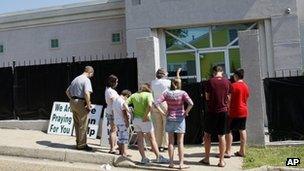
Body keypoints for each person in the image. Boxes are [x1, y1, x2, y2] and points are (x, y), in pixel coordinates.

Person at [125, 83, 169, 164]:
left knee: (140, 140)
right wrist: (145, 116)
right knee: (152, 139)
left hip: (136, 120)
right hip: (146, 120)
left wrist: (130, 112)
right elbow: (150, 105)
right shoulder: (148, 94)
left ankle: (144, 158)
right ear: (148, 88)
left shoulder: (134, 95)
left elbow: (124, 103)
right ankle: (159, 157)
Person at [155, 78, 194, 169]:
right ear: (179, 84)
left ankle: (171, 163)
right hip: (180, 119)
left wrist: (163, 113)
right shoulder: (183, 93)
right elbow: (191, 103)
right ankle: (181, 163)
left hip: (169, 118)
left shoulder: (166, 93)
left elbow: (156, 103)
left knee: (170, 142)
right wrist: (186, 112)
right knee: (180, 142)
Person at [200, 65, 231, 167]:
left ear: (214, 72)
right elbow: (229, 98)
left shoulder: (209, 82)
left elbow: (207, 97)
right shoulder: (227, 82)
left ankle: (207, 158)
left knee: (207, 135)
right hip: (223, 111)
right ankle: (221, 161)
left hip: (211, 111)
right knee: (221, 136)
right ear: (222, 72)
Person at [66, 66, 94, 151]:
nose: (91, 76)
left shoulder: (75, 79)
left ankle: (78, 142)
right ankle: (82, 144)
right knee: (83, 124)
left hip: (73, 102)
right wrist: (88, 104)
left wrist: (72, 99)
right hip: (81, 102)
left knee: (77, 124)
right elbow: (86, 93)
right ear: (90, 72)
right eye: (92, 74)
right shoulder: (86, 80)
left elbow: (67, 91)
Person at [225, 68, 250, 157]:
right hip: (243, 111)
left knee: (228, 131)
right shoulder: (246, 86)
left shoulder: (233, 86)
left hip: (233, 111)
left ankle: (228, 151)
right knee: (242, 130)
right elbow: (246, 97)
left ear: (236, 76)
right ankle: (242, 151)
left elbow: (228, 99)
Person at [150, 68, 176, 152]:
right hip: (165, 103)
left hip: (155, 103)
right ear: (164, 74)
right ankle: (165, 145)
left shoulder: (152, 82)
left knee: (157, 126)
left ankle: (158, 144)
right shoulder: (168, 82)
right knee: (166, 125)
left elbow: (152, 94)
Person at [113, 89, 132, 157]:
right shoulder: (122, 101)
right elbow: (124, 112)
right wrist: (127, 121)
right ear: (126, 96)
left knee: (120, 137)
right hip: (122, 121)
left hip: (117, 121)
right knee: (125, 138)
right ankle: (124, 153)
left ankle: (121, 151)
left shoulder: (115, 99)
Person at [105, 75, 119, 154]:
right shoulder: (111, 91)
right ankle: (112, 148)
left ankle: (114, 145)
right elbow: (114, 102)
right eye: (116, 81)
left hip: (110, 111)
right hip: (113, 112)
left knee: (113, 130)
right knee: (113, 130)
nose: (117, 83)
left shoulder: (108, 90)